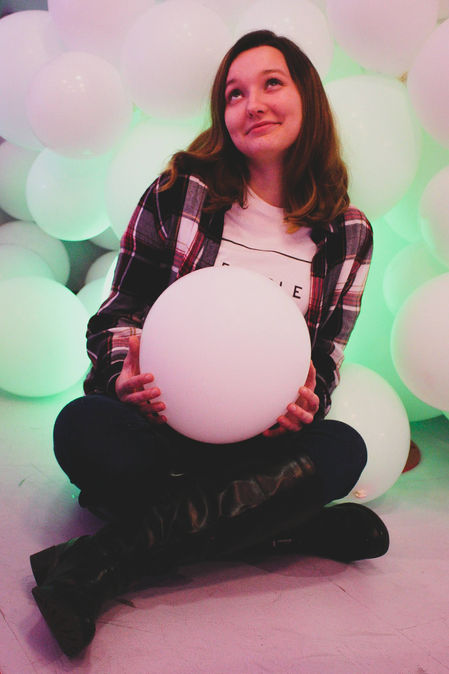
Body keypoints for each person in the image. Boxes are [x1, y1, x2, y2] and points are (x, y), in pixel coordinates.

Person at [30, 30, 389, 657]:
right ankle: (282, 525)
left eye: (271, 84)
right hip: (162, 427)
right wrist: (121, 375)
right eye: (234, 94)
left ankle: (102, 560)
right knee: (82, 429)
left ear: (307, 96)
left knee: (343, 449)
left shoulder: (346, 231)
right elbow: (118, 311)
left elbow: (326, 356)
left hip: (259, 442)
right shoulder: (180, 192)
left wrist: (306, 403)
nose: (253, 104)